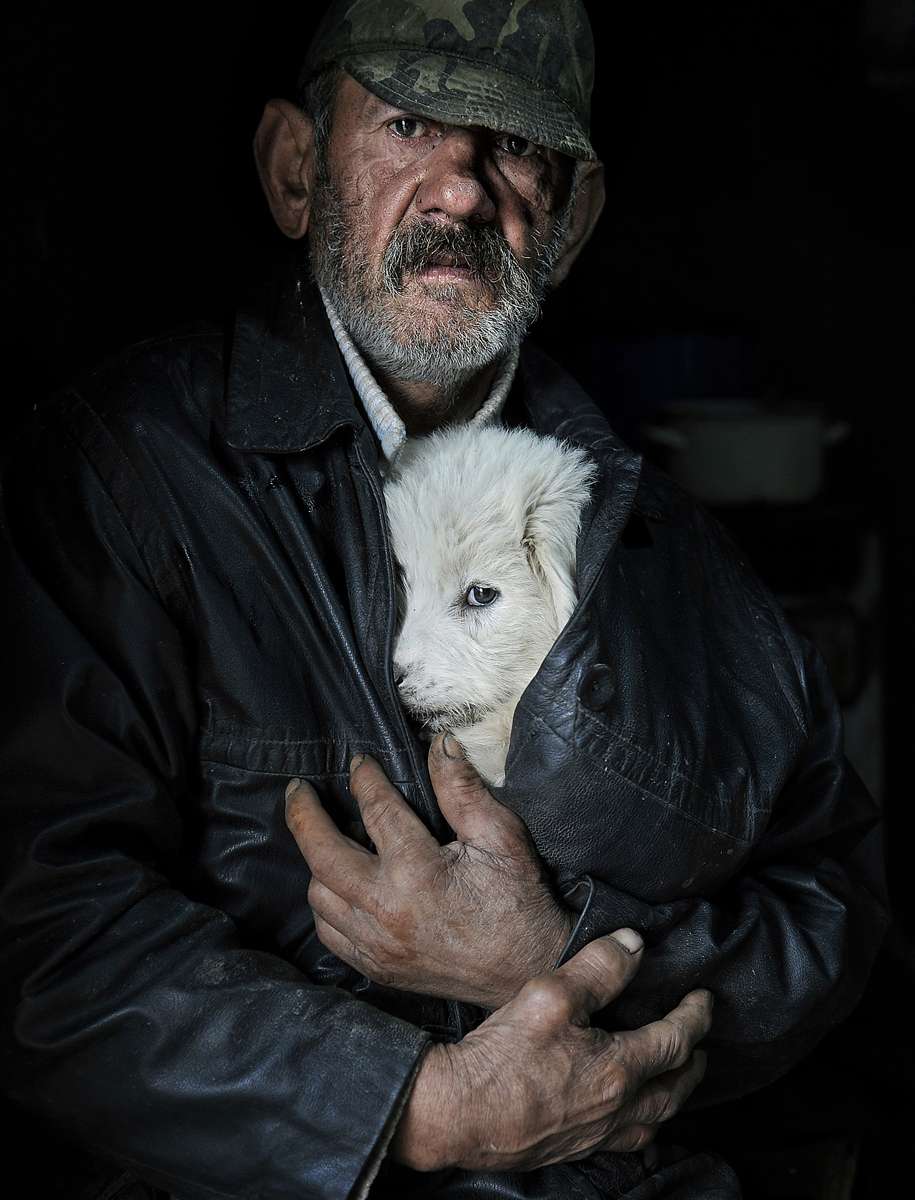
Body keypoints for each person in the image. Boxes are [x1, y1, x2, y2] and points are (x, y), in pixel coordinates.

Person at [0, 2, 888, 1198]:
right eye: (411, 121)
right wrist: (413, 1106)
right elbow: (43, 936)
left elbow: (832, 913)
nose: (463, 192)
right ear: (297, 171)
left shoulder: (654, 535)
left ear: (570, 225)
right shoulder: (126, 474)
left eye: (515, 147)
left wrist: (551, 954)